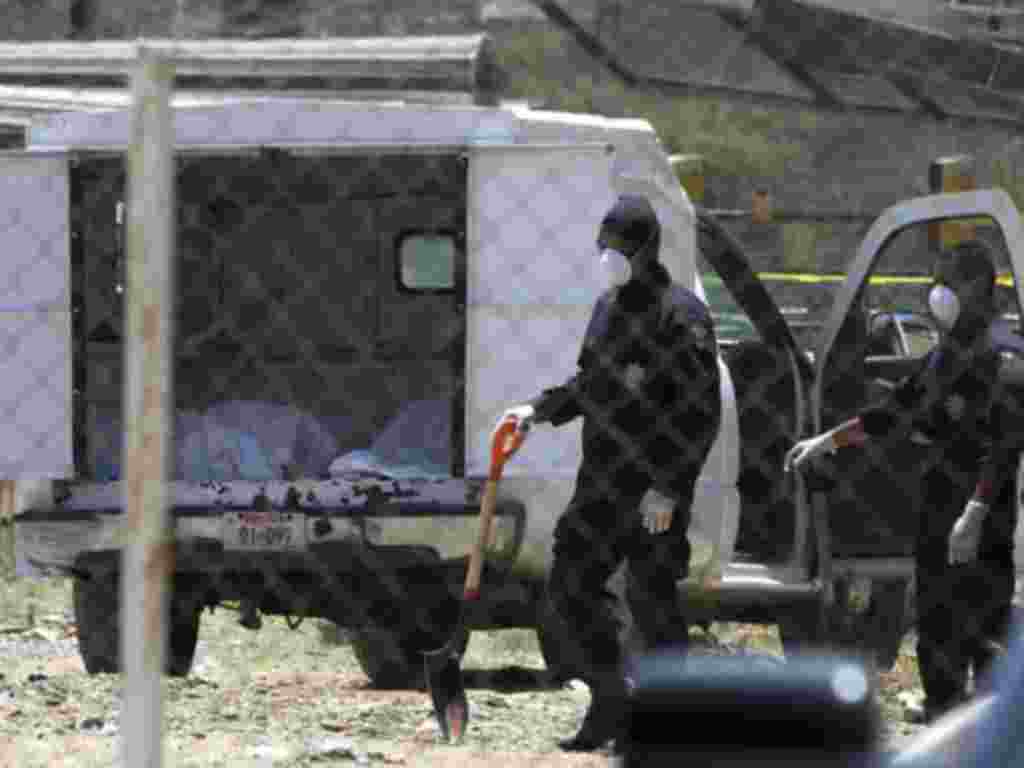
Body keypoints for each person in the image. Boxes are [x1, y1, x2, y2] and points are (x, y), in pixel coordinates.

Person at [494, 194, 722, 751]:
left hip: (653, 487)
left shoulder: (681, 315)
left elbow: (700, 413)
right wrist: (537, 411)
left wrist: (668, 488)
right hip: (602, 479)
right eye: (603, 245)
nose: (608, 255)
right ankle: (610, 699)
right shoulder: (608, 309)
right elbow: (588, 385)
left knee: (651, 598)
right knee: (570, 586)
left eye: (618, 246)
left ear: (646, 249)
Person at [785, 239, 1007, 723]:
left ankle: (996, 734)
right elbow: (893, 412)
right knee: (936, 622)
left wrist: (976, 513)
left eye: (947, 279)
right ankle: (944, 715)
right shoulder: (944, 356)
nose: (936, 290)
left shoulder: (1000, 357)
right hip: (939, 505)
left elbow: (1004, 447)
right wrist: (828, 440)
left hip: (981, 512)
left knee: (980, 625)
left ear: (975, 286)